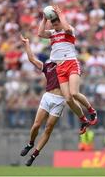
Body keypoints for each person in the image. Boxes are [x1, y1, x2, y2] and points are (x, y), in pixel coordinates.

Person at [38, 5, 98, 134]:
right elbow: (40, 33)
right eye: (52, 22)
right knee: (68, 98)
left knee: (74, 93)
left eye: (56, 21)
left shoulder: (69, 29)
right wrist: (44, 19)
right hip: (60, 67)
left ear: (60, 19)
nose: (54, 24)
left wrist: (60, 14)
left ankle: (91, 111)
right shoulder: (52, 34)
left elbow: (66, 27)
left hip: (71, 63)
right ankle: (83, 120)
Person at [20, 35, 66, 166]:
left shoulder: (68, 66)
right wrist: (27, 44)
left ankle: (34, 155)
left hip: (60, 100)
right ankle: (30, 143)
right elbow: (32, 59)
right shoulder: (48, 65)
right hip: (48, 97)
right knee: (36, 125)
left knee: (48, 129)